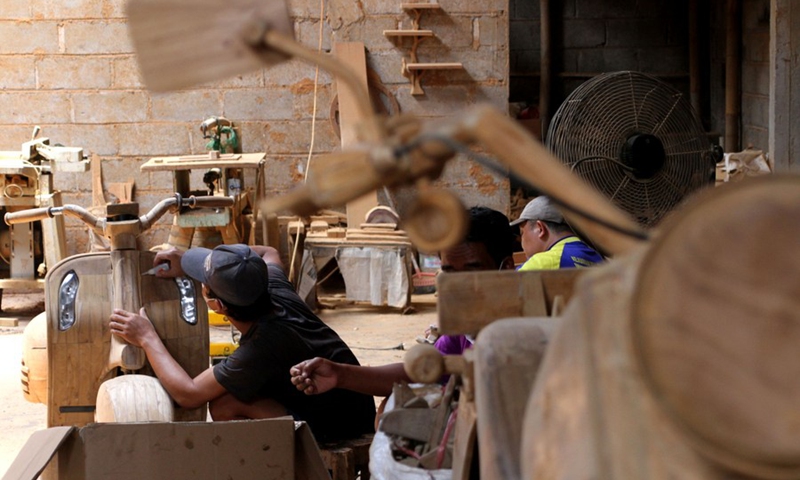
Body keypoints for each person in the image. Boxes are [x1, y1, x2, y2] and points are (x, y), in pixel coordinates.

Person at [108, 243, 376, 443]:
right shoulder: (274, 287)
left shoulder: (259, 348)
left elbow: (188, 394)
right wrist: (190, 258)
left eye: (203, 281)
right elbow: (267, 253)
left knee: (224, 404)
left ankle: (287, 464)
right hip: (354, 403)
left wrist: (146, 337)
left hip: (343, 426)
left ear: (217, 305)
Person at [289, 206, 516, 397]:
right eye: (448, 271)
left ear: (505, 268)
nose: (457, 285)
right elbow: (421, 372)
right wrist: (340, 374)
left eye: (470, 271)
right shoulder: (466, 322)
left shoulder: (525, 329)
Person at [510, 195, 603, 271]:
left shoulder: (542, 263)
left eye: (522, 233)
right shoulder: (598, 257)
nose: (521, 241)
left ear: (540, 229)